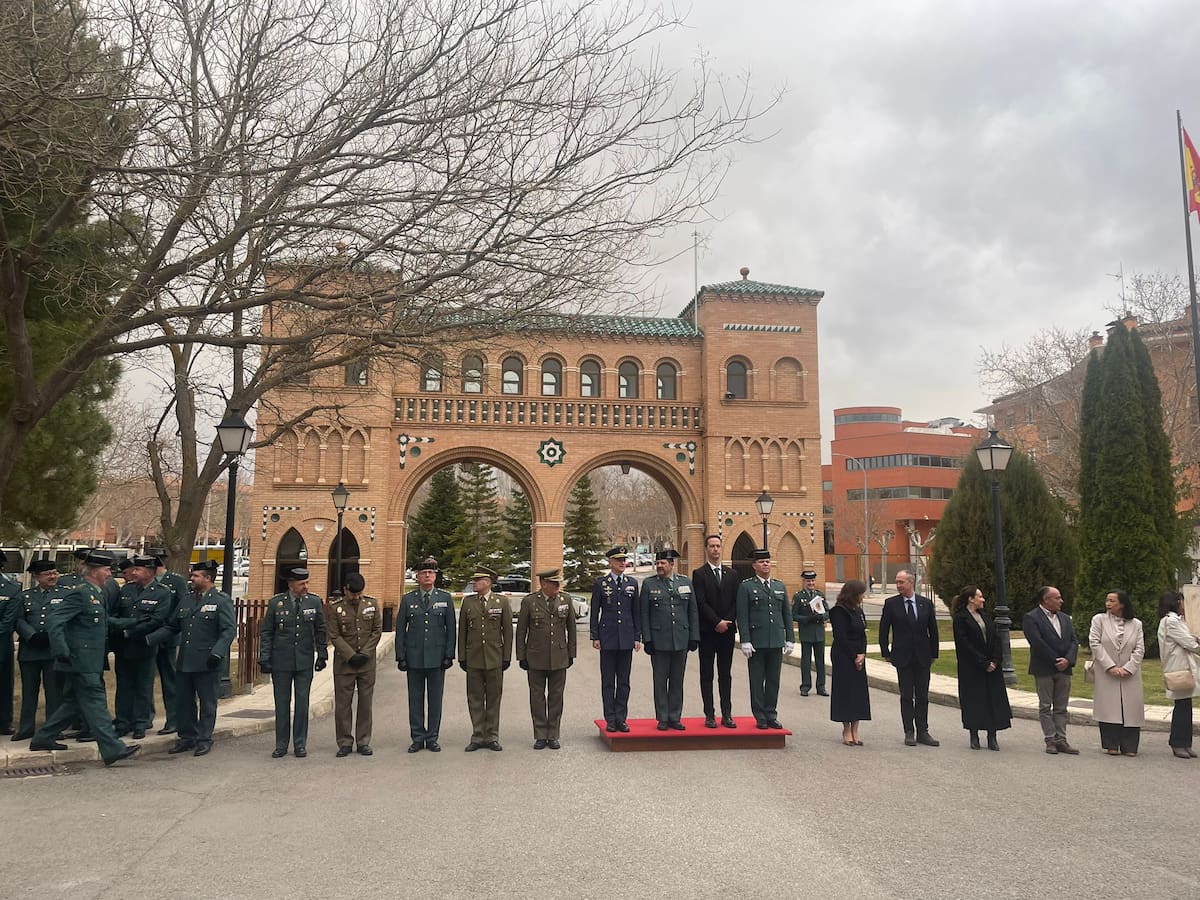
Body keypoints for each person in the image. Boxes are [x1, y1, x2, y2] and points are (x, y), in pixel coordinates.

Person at [28, 551, 141, 766]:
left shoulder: (96, 593)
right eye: (107, 570)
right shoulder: (79, 593)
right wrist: (61, 651)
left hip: (91, 660)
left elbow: (101, 621)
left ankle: (43, 738)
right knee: (96, 702)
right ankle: (113, 749)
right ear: (95, 571)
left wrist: (132, 622)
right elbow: (54, 621)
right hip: (80, 660)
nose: (109, 574)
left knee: (72, 703)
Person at [147, 560, 235, 756]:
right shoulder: (186, 599)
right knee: (184, 702)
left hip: (207, 661)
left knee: (207, 703)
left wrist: (217, 652)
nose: (192, 578)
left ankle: (204, 739)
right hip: (186, 661)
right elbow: (172, 626)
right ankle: (187, 737)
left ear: (207, 578)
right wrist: (149, 639)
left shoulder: (221, 600)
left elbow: (228, 630)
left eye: (196, 576)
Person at [259, 566, 327, 758]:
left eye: (307, 582)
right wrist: (265, 657)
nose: (305, 586)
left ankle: (300, 743)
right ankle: (281, 744)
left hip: (304, 661)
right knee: (282, 704)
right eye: (301, 583)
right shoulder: (276, 603)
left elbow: (320, 629)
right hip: (281, 661)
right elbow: (267, 632)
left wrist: (322, 654)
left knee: (302, 703)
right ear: (291, 585)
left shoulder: (313, 602)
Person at [107, 555, 174, 739]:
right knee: (124, 686)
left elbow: (156, 620)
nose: (133, 572)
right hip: (124, 647)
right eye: (134, 569)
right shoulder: (126, 590)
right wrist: (124, 628)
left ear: (150, 572)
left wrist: (129, 632)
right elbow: (113, 616)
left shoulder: (162, 592)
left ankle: (140, 723)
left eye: (138, 569)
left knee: (143, 687)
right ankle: (122, 722)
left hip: (145, 646)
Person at [397, 558, 456, 753]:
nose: (427, 576)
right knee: (415, 699)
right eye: (423, 573)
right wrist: (401, 656)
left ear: (435, 576)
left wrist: (449, 654)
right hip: (414, 657)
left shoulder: (444, 598)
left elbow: (450, 630)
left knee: (435, 699)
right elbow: (400, 630)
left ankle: (432, 737)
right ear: (418, 577)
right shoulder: (408, 599)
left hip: (437, 657)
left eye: (431, 573)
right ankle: (417, 737)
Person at [516, 569, 577, 749]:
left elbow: (571, 628)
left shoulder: (565, 600)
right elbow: (521, 631)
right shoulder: (530, 601)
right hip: (535, 656)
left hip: (559, 656)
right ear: (543, 584)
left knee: (556, 696)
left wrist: (571, 653)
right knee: (537, 696)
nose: (558, 586)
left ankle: (553, 734)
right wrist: (521, 655)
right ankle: (540, 734)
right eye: (554, 583)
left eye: (559, 583)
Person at [878, 570, 940, 747]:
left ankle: (923, 731)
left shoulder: (925, 604)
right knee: (906, 695)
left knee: (922, 695)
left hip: (922, 656)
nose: (898, 585)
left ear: (910, 583)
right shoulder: (891, 604)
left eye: (901, 582)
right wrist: (886, 652)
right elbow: (884, 630)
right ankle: (909, 731)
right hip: (902, 656)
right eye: (896, 582)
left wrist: (934, 653)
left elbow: (933, 631)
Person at [639, 549, 698, 730]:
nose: (659, 566)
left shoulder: (685, 582)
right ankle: (663, 717)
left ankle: (675, 716)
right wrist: (647, 639)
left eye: (663, 563)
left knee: (677, 680)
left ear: (672, 564)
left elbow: (692, 611)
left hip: (680, 638)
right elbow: (644, 613)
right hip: (659, 640)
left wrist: (694, 636)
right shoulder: (649, 585)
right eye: (657, 563)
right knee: (660, 680)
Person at [736, 549, 792, 730]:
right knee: (757, 680)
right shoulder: (746, 587)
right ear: (754, 566)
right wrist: (745, 640)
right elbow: (742, 615)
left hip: (775, 639)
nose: (765, 564)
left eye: (767, 561)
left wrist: (790, 638)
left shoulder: (779, 586)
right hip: (757, 641)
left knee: (773, 680)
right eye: (761, 562)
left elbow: (786, 614)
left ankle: (771, 714)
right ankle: (759, 715)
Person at [327, 572, 382, 757]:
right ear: (345, 590)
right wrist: (350, 655)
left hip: (366, 663)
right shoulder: (335, 608)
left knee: (365, 703)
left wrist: (365, 653)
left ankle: (363, 741)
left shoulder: (372, 604)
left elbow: (376, 630)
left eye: (359, 594)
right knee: (343, 704)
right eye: (353, 594)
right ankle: (344, 741)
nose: (357, 597)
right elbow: (334, 635)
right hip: (345, 664)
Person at [458, 566, 512, 751]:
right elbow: (462, 632)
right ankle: (477, 735)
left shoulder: (502, 602)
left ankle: (492, 736)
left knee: (494, 697)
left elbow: (508, 631)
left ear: (488, 582)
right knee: (475, 698)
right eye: (474, 580)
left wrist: (506, 656)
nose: (474, 583)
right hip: (473, 657)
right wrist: (462, 657)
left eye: (478, 580)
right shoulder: (468, 602)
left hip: (494, 657)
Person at [950, 585, 1011, 750]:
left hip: (992, 666)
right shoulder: (961, 619)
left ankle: (992, 736)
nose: (983, 600)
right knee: (974, 701)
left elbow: (996, 638)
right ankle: (974, 735)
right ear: (971, 599)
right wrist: (982, 662)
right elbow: (964, 644)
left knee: (992, 700)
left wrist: (995, 660)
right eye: (980, 596)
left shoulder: (985, 616)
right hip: (972, 668)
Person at [1022, 585, 1080, 755]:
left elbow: (1073, 641)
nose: (1061, 601)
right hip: (1044, 668)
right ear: (1046, 600)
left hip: (1064, 668)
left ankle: (1062, 739)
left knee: (1061, 707)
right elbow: (1037, 642)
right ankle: (1050, 739)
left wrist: (1068, 660)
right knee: (1046, 705)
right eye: (1057, 598)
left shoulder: (1065, 618)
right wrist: (1056, 660)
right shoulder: (1031, 618)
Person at [12, 560, 65, 740]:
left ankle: (53, 729)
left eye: (54, 573)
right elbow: (18, 620)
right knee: (29, 692)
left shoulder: (65, 595)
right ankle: (26, 728)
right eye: (47, 574)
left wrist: (51, 636)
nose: (52, 577)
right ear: (37, 577)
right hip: (30, 650)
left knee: (54, 692)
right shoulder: (25, 596)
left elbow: (66, 620)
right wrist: (31, 635)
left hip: (53, 650)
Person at [1089, 590, 1145, 757]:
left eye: (1112, 601)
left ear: (1122, 604)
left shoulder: (1136, 624)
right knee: (1109, 707)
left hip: (1130, 673)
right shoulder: (1099, 620)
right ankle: (1111, 744)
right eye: (1107, 600)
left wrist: (1129, 667)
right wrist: (1110, 666)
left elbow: (1140, 648)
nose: (1108, 603)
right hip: (1107, 672)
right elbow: (1094, 643)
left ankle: (1130, 746)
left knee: (1131, 708)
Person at [590, 546, 640, 732]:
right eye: (618, 560)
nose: (622, 563)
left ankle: (621, 718)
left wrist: (637, 636)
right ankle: (610, 718)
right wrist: (595, 636)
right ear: (610, 562)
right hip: (608, 638)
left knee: (624, 682)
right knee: (609, 681)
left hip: (626, 638)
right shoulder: (601, 583)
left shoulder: (632, 583)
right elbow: (595, 611)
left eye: (624, 560)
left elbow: (636, 612)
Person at [692, 534, 738, 728]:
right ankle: (709, 714)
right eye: (712, 546)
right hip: (708, 632)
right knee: (707, 674)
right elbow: (700, 603)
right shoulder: (699, 574)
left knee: (725, 674)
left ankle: (726, 713)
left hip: (727, 632)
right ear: (706, 549)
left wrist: (726, 621)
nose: (715, 549)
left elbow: (737, 602)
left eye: (718, 546)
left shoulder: (732, 574)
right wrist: (716, 621)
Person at [146, 548, 187, 736]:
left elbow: (182, 607)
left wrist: (168, 627)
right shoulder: (148, 582)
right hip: (148, 636)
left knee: (169, 680)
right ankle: (146, 717)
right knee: (146, 679)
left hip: (168, 637)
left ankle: (174, 719)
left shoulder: (176, 581)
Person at [1157, 591, 1200, 759]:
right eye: (1182, 602)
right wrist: (1195, 640)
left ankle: (1185, 743)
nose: (1184, 606)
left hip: (1183, 666)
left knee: (1185, 705)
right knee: (1181, 706)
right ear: (1175, 603)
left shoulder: (1176, 621)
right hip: (1178, 668)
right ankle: (1178, 743)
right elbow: (1190, 643)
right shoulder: (1171, 621)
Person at [829, 579, 870, 746]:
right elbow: (841, 636)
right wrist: (854, 655)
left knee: (858, 691)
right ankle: (846, 728)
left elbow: (863, 633)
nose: (862, 596)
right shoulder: (838, 611)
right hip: (843, 655)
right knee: (845, 691)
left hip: (859, 655)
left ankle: (856, 727)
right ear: (853, 594)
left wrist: (862, 653)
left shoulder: (858, 610)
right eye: (860, 593)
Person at [792, 569, 828, 697]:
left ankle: (821, 686)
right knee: (806, 661)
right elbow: (794, 615)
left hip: (819, 633)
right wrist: (806, 619)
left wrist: (822, 617)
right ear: (804, 581)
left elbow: (827, 611)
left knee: (820, 660)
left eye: (812, 581)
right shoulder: (799, 596)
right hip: (806, 632)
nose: (811, 583)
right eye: (808, 581)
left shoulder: (820, 595)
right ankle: (805, 686)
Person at [0, 550, 18, 735]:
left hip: (1, 646)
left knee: (3, 685)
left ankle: (4, 721)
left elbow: (7, 622)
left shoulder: (11, 589)